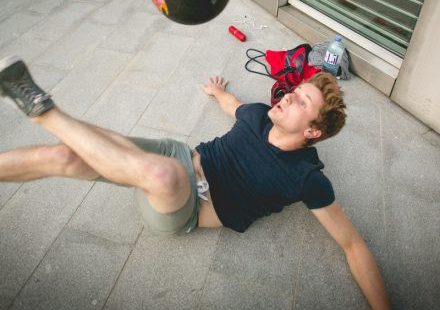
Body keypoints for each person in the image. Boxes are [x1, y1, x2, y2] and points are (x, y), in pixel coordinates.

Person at [0, 56, 390, 309]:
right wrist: (219, 91)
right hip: (176, 155)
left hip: (184, 204)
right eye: (294, 91)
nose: (288, 97)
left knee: (160, 174)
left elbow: (352, 244)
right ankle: (43, 115)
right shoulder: (257, 115)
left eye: (302, 102)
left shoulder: (307, 178)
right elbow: (232, 104)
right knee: (62, 156)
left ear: (312, 132)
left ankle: (43, 110)